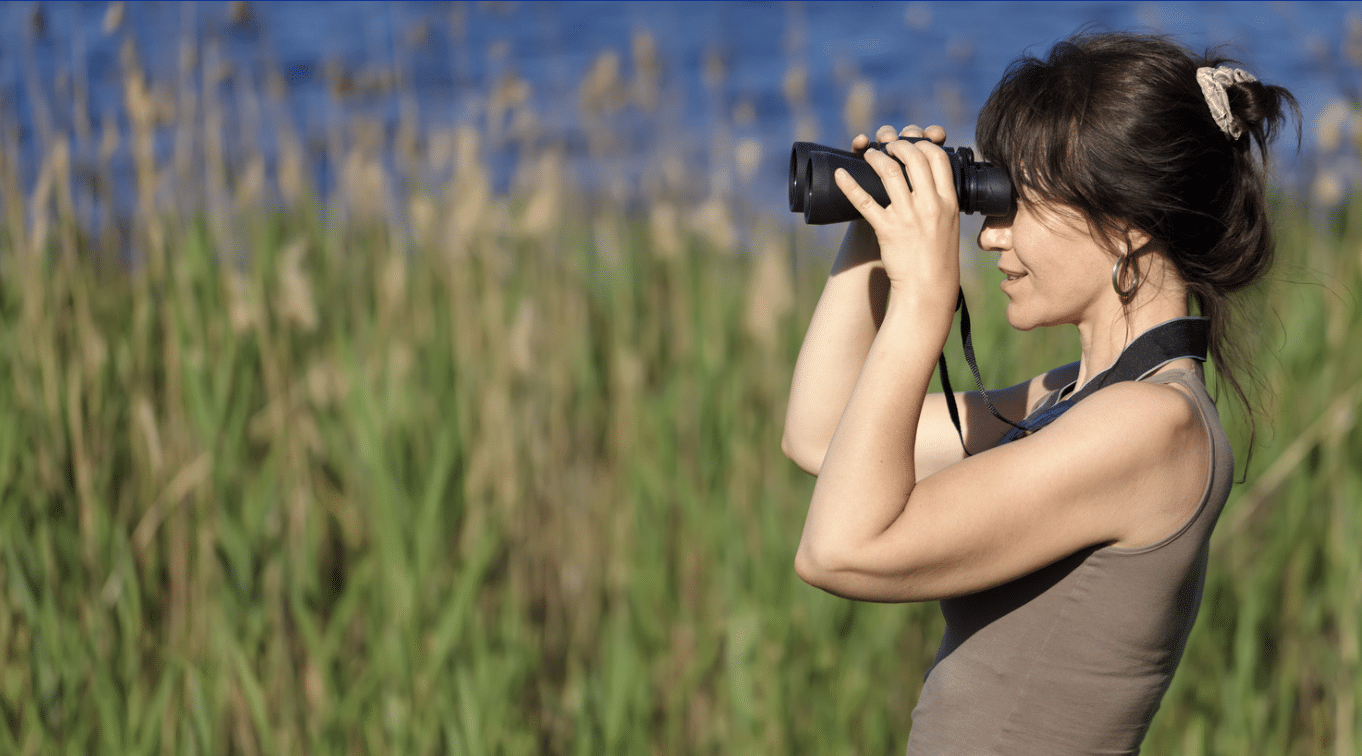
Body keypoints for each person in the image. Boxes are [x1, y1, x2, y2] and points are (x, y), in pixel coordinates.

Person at [781, 32, 1297, 754]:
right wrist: (873, 221)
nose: (991, 236)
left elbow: (839, 550)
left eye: (1018, 201)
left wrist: (924, 301)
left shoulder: (1152, 426)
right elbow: (819, 434)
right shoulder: (1076, 398)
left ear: (1126, 225)